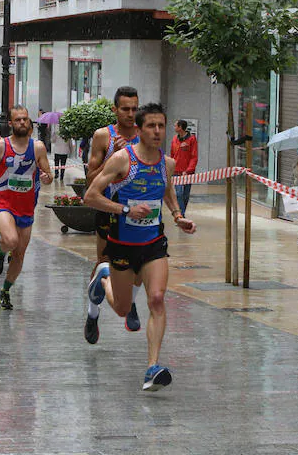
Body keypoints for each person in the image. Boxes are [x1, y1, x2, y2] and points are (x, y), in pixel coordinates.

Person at [84, 103, 197, 391]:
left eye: (161, 125)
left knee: (157, 299)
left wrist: (178, 216)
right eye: (151, 126)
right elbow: (91, 196)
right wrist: (124, 210)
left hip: (153, 244)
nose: (157, 131)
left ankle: (152, 367)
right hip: (122, 245)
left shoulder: (167, 163)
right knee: (122, 309)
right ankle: (103, 279)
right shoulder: (123, 160)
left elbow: (168, 192)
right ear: (139, 129)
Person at [0, 105, 53, 309]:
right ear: (10, 123)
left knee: (19, 254)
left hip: (26, 206)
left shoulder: (38, 148)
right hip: (3, 202)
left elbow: (48, 175)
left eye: (25, 119)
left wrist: (46, 177)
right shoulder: (0, 146)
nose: (22, 123)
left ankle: (6, 290)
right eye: (18, 120)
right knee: (10, 239)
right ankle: (0, 250)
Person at [84, 87, 142, 343]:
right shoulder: (102, 136)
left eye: (134, 109)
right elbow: (89, 180)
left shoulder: (145, 135)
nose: (131, 114)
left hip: (138, 209)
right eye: (125, 109)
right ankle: (92, 312)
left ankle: (130, 301)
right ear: (114, 110)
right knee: (105, 264)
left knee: (139, 266)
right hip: (109, 207)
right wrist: (115, 159)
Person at [170, 119, 198, 217]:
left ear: (180, 127)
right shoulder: (174, 139)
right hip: (176, 171)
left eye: (175, 125)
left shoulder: (192, 139)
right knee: (179, 194)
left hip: (188, 172)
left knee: (185, 195)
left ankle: (182, 212)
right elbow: (172, 155)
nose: (174, 127)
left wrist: (188, 170)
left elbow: (194, 156)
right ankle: (181, 215)